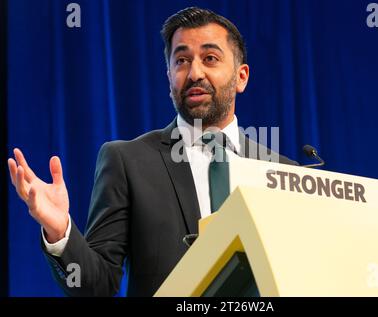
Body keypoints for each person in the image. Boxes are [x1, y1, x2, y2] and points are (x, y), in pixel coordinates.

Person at [7, 7, 297, 296]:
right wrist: (61, 233)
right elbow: (97, 286)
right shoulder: (127, 161)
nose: (195, 73)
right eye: (181, 60)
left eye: (210, 58)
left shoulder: (283, 173)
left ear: (241, 76)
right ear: (169, 75)